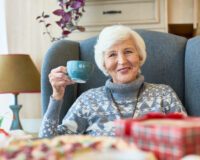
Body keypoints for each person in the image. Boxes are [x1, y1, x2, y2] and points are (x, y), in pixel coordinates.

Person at [39, 25, 186, 138]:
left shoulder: (164, 95)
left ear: (140, 56)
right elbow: (48, 143)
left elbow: (189, 139)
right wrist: (57, 95)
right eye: (112, 54)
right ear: (103, 63)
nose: (122, 61)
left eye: (128, 51)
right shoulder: (88, 101)